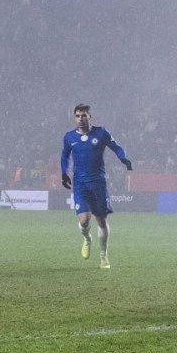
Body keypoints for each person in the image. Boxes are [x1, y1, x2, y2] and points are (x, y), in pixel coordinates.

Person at [60, 102, 133, 268]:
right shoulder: (69, 137)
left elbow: (116, 147)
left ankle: (103, 255)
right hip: (80, 184)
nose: (80, 119)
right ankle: (87, 238)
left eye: (83, 115)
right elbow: (64, 156)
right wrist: (64, 172)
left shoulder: (101, 133)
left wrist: (123, 158)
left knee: (101, 221)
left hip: (98, 184)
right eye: (77, 116)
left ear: (89, 117)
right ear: (75, 118)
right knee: (84, 220)